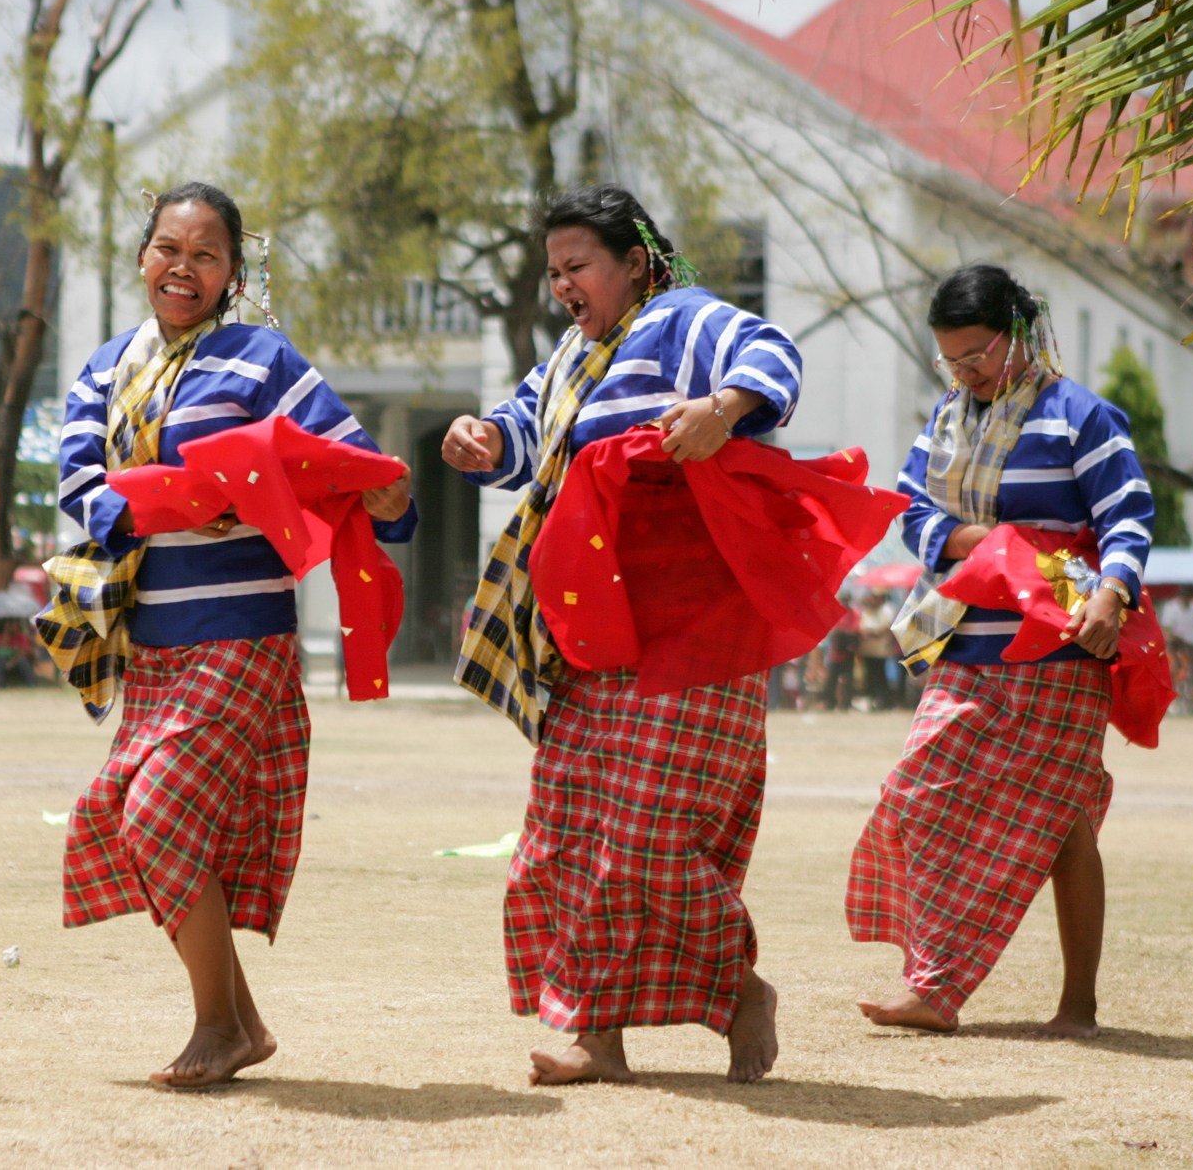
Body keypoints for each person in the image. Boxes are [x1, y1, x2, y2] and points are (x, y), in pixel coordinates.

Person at [49, 181, 416, 1089]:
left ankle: (217, 1024)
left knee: (156, 812)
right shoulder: (104, 368)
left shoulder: (263, 361)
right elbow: (80, 488)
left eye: (206, 254)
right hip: (152, 641)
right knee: (137, 820)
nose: (184, 268)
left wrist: (392, 497)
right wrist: (177, 501)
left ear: (233, 273)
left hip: (243, 632)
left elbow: (352, 462)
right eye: (169, 249)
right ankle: (242, 1024)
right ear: (143, 256)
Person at [442, 184, 802, 1085]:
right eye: (553, 271)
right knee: (561, 835)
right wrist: (482, 438)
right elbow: (525, 432)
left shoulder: (684, 318)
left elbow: (773, 353)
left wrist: (723, 408)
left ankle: (739, 989)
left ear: (635, 264)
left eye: (578, 266)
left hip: (695, 622)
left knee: (644, 838)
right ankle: (595, 1037)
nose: (562, 284)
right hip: (588, 627)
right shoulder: (570, 356)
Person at [853, 263, 1152, 1038]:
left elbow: (1127, 514)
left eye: (977, 354)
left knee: (1064, 825)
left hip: (1063, 647)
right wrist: (969, 539)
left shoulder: (1080, 416)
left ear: (1019, 333)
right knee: (917, 792)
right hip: (964, 643)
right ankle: (933, 978)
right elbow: (909, 507)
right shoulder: (946, 421)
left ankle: (1069, 1004)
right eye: (950, 359)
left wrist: (1112, 594)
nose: (964, 372)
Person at [0, 617, 37, 688]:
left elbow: (23, 652)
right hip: (5, 660)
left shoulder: (21, 637)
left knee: (23, 662)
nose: (16, 627)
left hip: (17, 660)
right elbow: (1, 649)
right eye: (14, 625)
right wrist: (6, 632)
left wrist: (12, 662)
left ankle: (31, 684)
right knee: (0, 660)